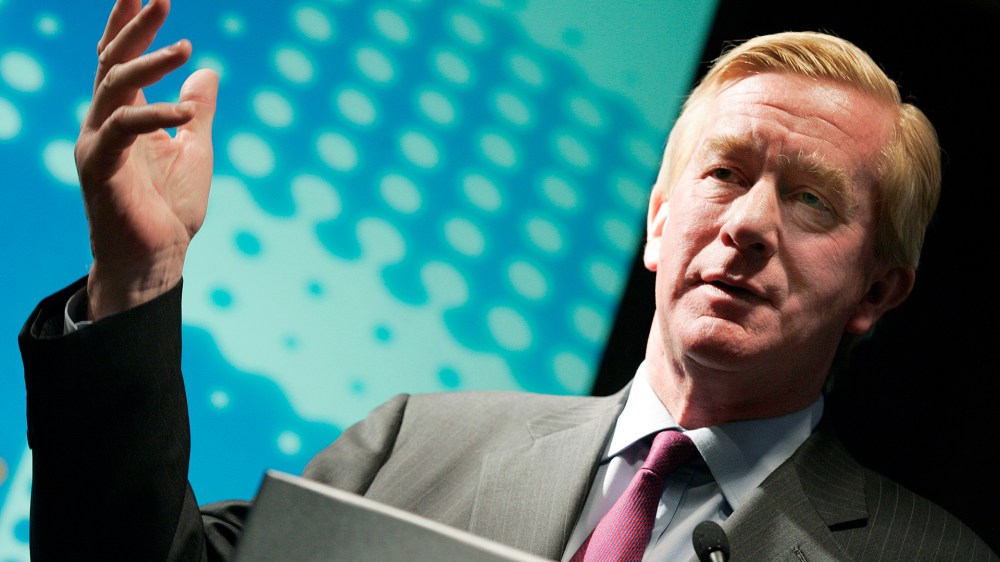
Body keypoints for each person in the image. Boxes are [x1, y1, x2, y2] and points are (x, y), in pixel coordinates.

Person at [17, 0, 996, 560]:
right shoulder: (412, 446)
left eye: (812, 199)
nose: (745, 223)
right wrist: (139, 274)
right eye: (724, 173)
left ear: (878, 291)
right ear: (658, 221)